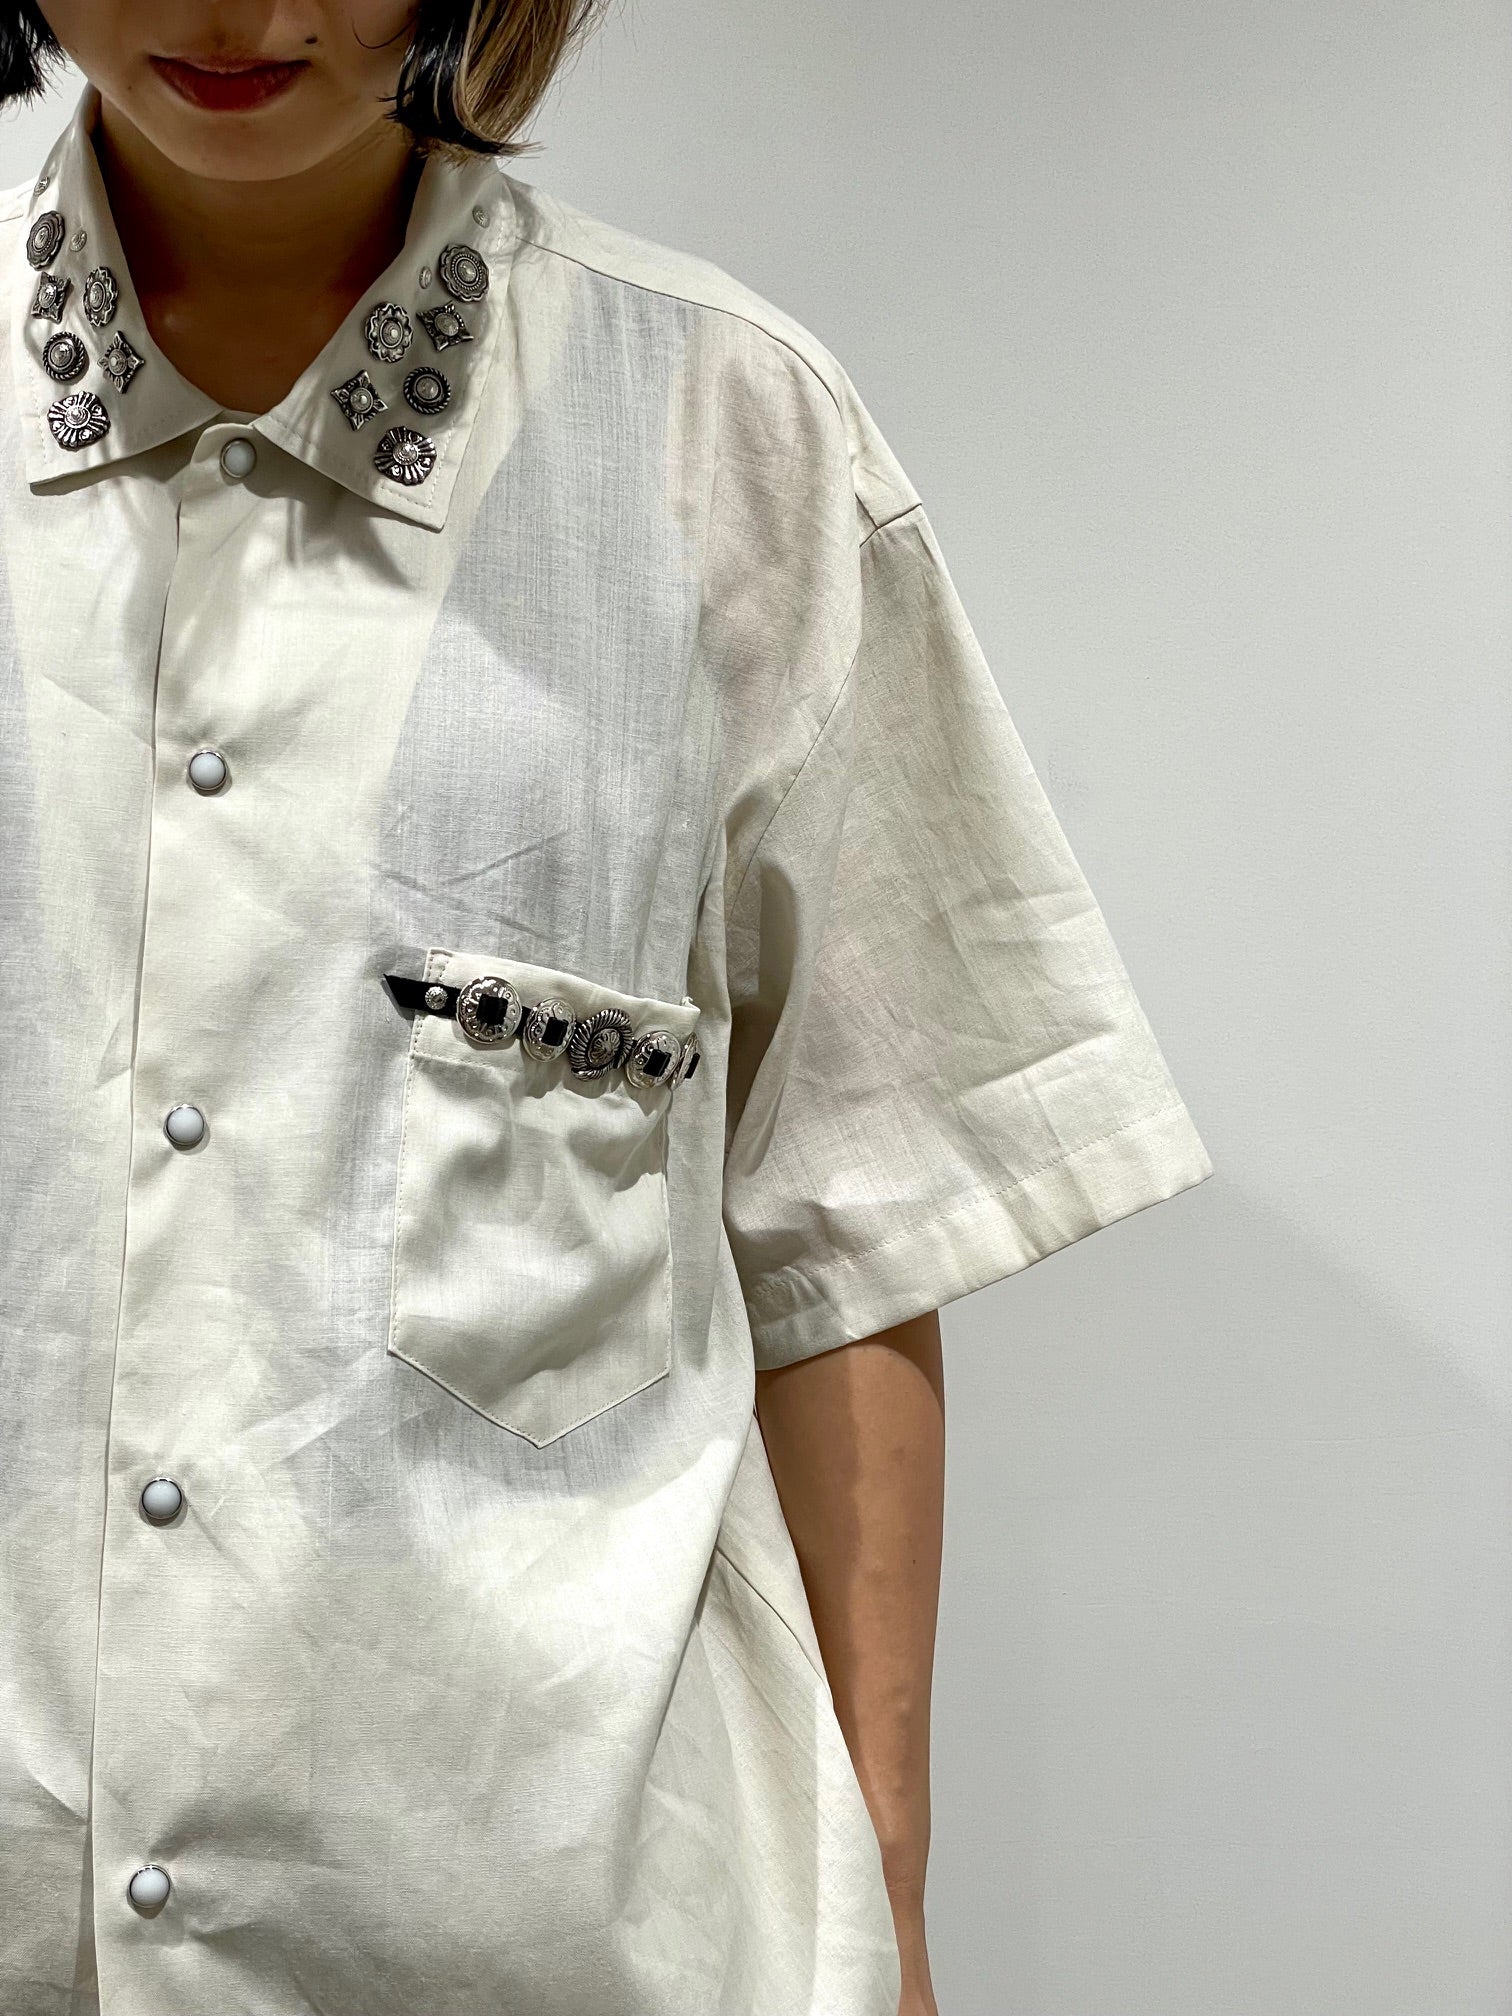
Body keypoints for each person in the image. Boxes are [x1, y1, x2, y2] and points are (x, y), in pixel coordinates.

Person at [0, 4, 1213, 2013]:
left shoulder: (724, 432)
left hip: (547, 1923)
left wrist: (889, 1900)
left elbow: (853, 1219)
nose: (238, 3)